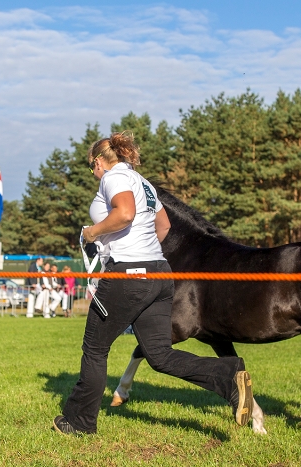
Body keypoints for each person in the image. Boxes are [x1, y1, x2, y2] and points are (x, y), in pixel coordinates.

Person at [52, 132, 254, 436]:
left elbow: (125, 214)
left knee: (95, 347)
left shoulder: (113, 177)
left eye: (90, 167)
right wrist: (144, 254)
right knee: (160, 355)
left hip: (127, 274)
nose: (93, 174)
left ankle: (79, 421)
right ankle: (228, 373)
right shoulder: (143, 183)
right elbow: (164, 225)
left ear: (99, 161)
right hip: (159, 273)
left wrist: (93, 233)